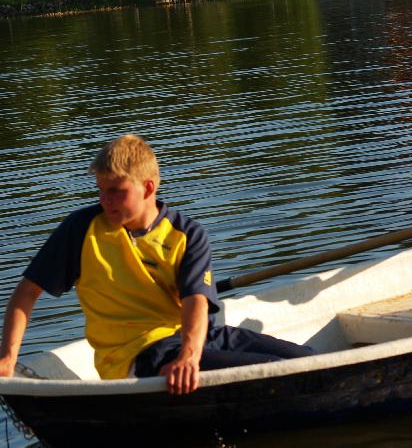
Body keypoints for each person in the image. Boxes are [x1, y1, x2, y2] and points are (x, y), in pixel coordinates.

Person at [0, 134, 314, 394]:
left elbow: (196, 302)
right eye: (101, 190)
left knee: (308, 360)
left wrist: (189, 356)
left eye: (116, 192)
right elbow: (26, 293)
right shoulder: (81, 228)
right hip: (139, 353)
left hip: (200, 337)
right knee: (275, 372)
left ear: (148, 187)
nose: (104, 200)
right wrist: (7, 357)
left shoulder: (186, 233)